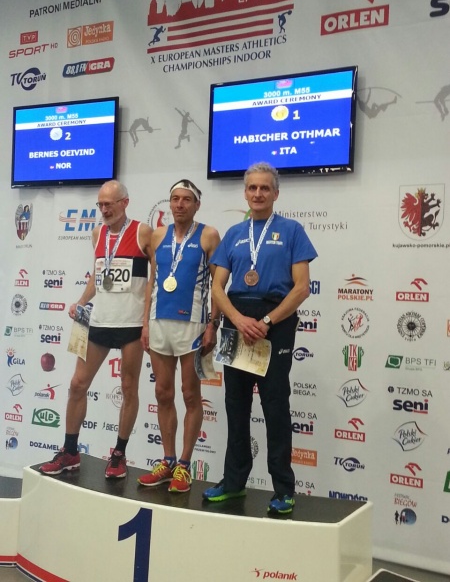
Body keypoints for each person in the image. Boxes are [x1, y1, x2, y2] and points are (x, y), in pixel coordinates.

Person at [202, 162, 317, 515]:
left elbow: (301, 288)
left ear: (276, 193)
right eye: (252, 187)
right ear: (245, 193)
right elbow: (217, 287)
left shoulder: (292, 230)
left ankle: (283, 489)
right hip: (236, 320)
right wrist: (237, 319)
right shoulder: (234, 233)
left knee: (275, 407)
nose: (258, 193)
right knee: (235, 406)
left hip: (275, 323)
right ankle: (233, 483)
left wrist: (266, 321)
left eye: (265, 188)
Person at [39, 180, 153, 478]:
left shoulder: (142, 232)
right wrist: (81, 301)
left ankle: (119, 455)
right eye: (100, 204)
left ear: (125, 203)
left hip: (131, 324)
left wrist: (147, 318)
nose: (104, 209)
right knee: (78, 384)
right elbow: (98, 275)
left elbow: (155, 276)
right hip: (100, 321)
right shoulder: (97, 233)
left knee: (128, 388)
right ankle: (70, 451)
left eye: (109, 204)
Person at [137, 179, 221, 493]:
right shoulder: (158, 235)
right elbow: (153, 281)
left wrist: (212, 324)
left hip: (193, 326)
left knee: (190, 394)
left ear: (197, 204)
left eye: (186, 199)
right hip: (160, 323)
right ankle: (168, 460)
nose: (180, 204)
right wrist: (145, 323)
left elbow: (218, 285)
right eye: (175, 199)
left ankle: (184, 465)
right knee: (162, 393)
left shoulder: (209, 235)